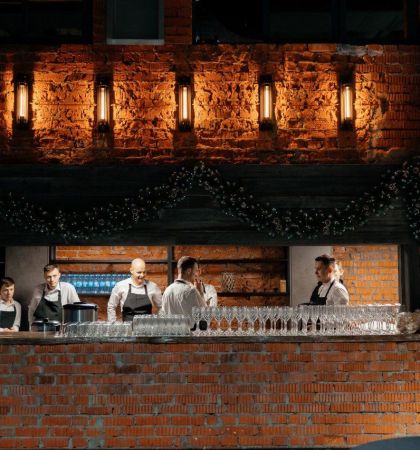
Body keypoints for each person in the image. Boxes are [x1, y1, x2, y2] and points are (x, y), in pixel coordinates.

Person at [161, 256, 207, 327]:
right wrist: (201, 293)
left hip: (170, 333)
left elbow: (163, 316)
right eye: (196, 270)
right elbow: (204, 317)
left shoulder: (167, 290)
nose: (196, 274)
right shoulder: (191, 291)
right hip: (189, 333)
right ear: (189, 271)